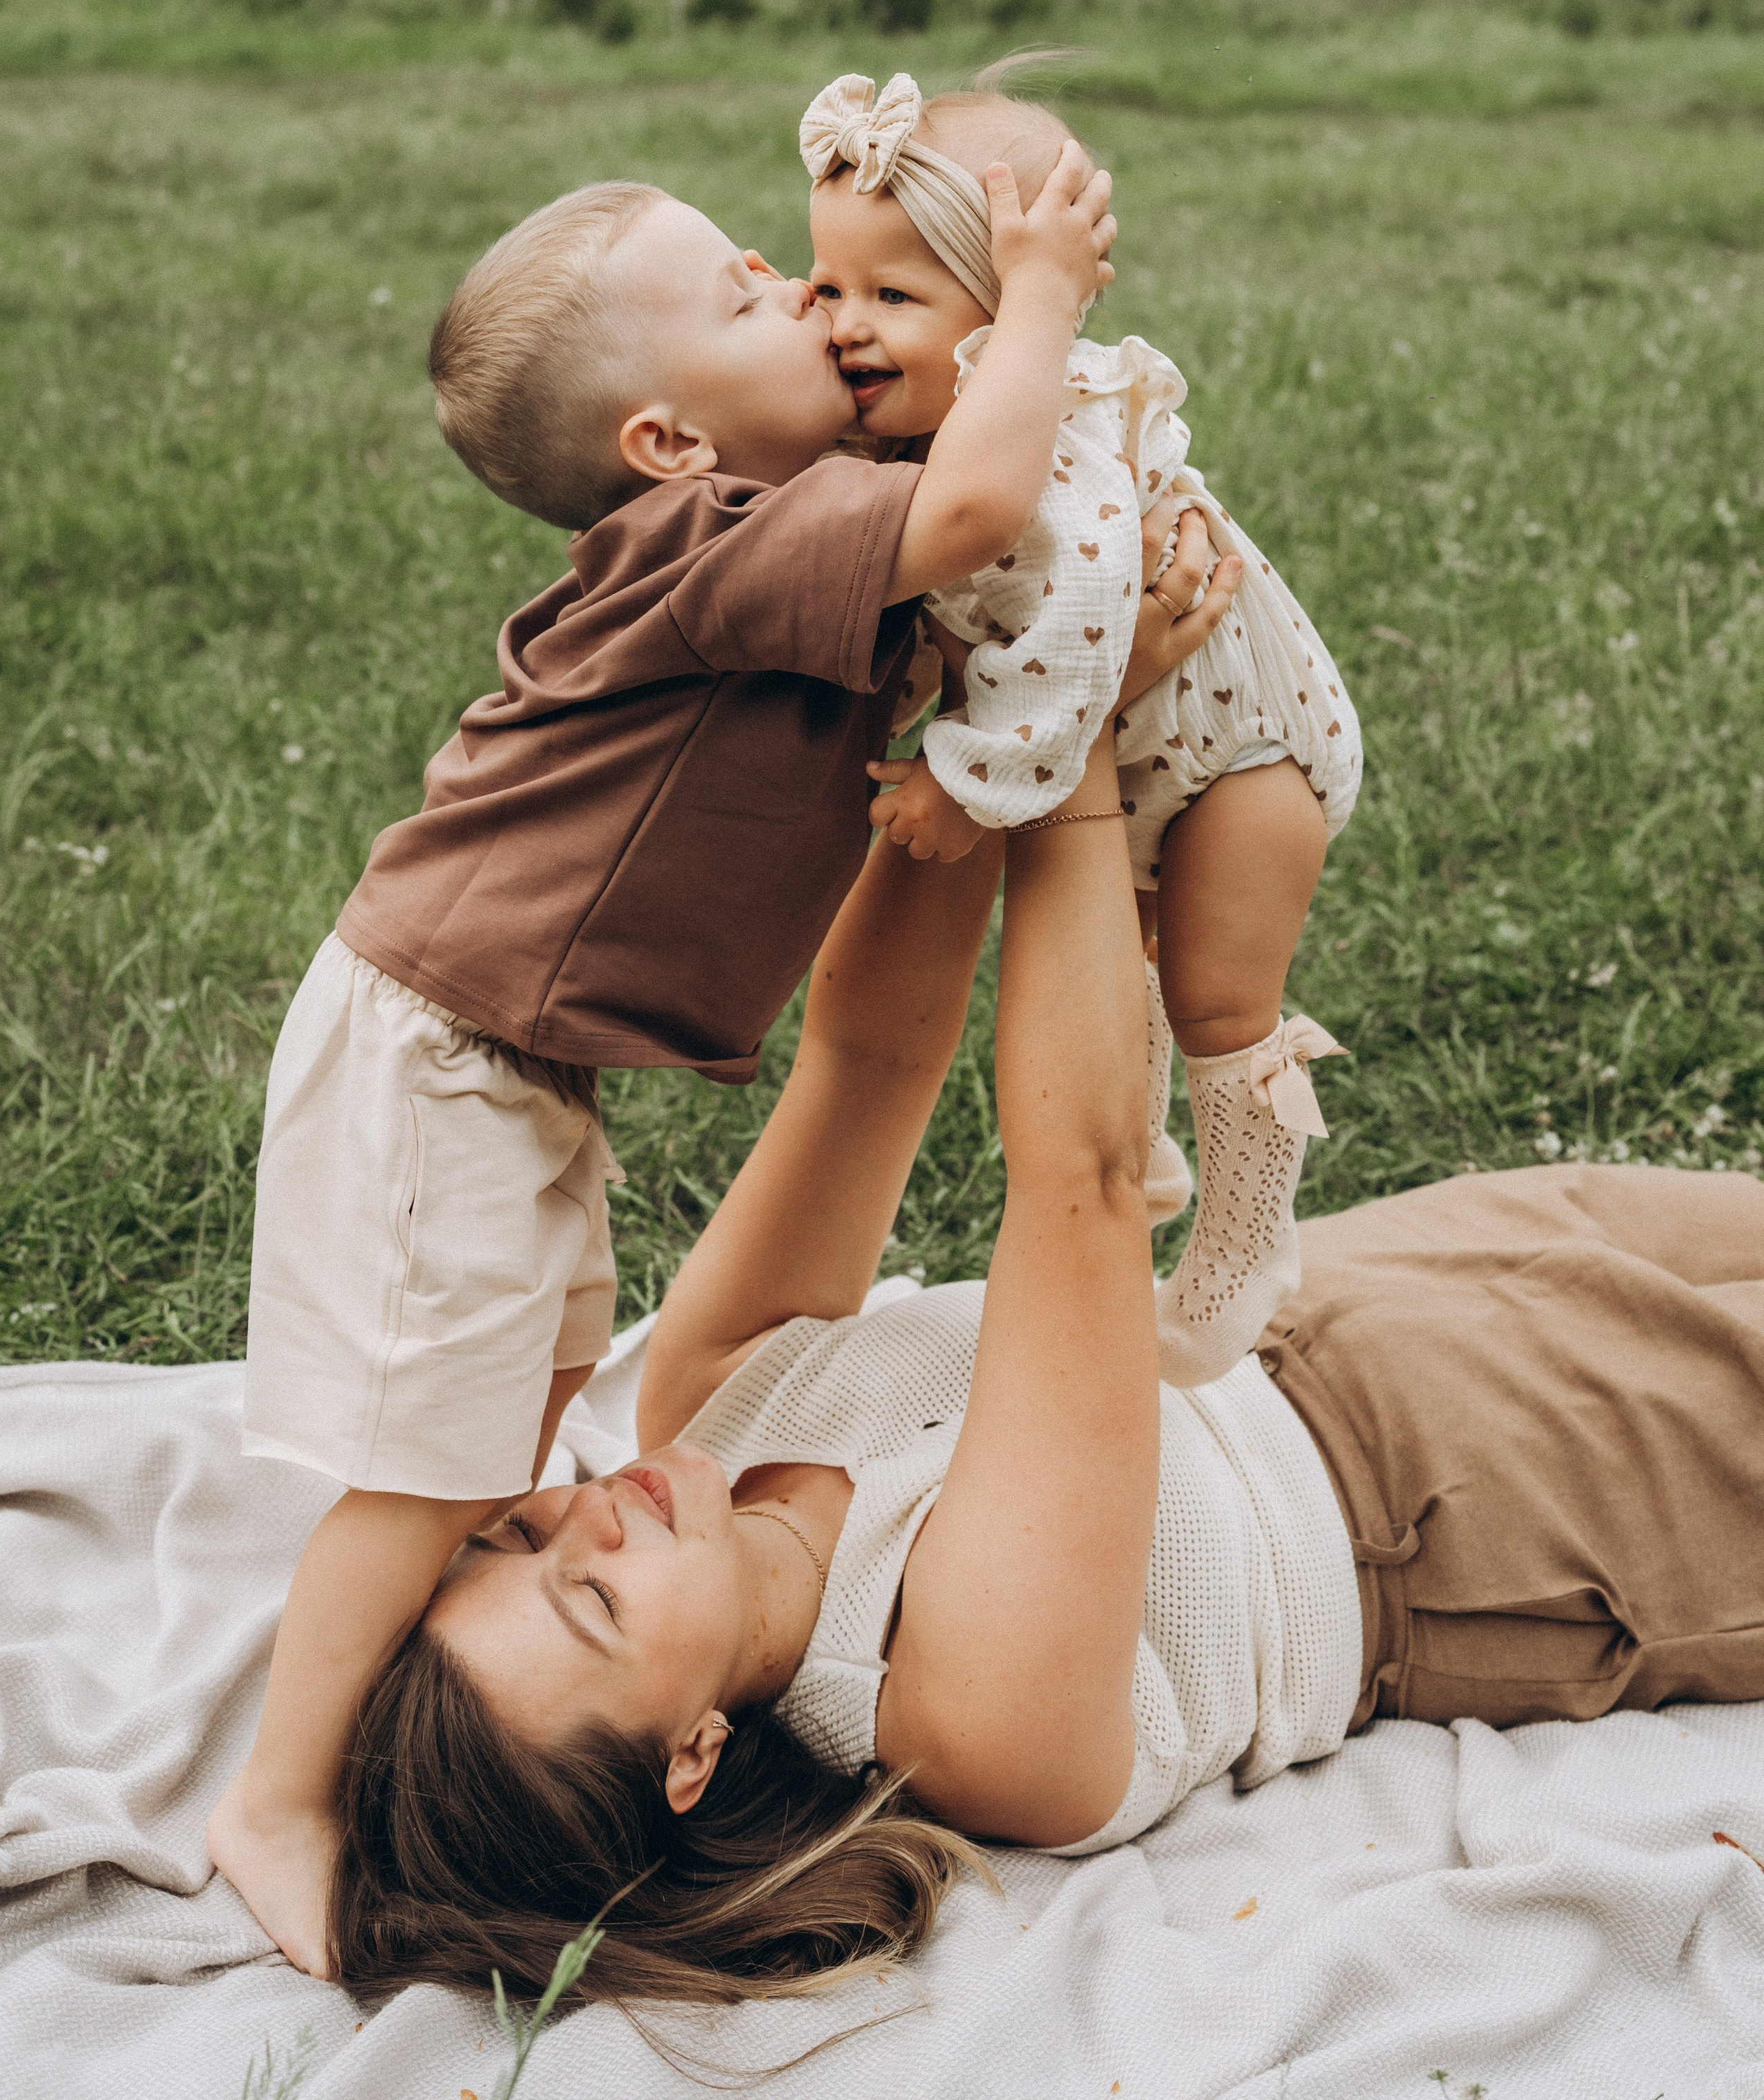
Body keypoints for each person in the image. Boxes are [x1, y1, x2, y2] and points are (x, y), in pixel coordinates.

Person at [326, 508, 1764, 2004]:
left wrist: (983, 712)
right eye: (595, 1603)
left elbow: (868, 1054)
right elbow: (1077, 1183)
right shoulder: (953, 1714)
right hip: (1495, 1512)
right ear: (690, 1755)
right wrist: (1060, 743)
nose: (587, 1518)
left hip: (1353, 1290)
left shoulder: (704, 1402)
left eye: (517, 1536)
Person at [208, 147, 1118, 1974]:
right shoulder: (710, 545)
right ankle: (277, 1797)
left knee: (529, 1402)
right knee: (426, 1461)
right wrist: (1039, 299)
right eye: (745, 296)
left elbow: (951, 566)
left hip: (524, 1064)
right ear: (667, 447)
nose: (798, 291)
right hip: (441, 1050)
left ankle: (466, 1627)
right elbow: (971, 511)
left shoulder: (774, 527)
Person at [804, 69, 1360, 1385]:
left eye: (895, 296)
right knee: (1130, 952)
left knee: (1218, 995)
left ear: (1006, 321)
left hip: (1243, 751)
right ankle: (1149, 1150)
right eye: (831, 288)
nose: (846, 328)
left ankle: (1245, 1236)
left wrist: (960, 768)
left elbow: (1083, 625)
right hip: (1158, 742)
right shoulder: (928, 435)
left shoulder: (1051, 448)